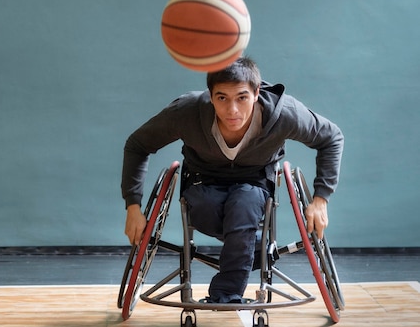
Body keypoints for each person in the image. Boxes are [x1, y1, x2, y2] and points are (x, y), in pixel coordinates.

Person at [121, 57, 343, 304]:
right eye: (222, 98)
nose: (232, 110)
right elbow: (137, 144)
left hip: (255, 181)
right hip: (202, 180)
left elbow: (331, 137)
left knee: (244, 204)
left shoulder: (284, 114)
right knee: (212, 210)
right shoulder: (187, 112)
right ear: (210, 95)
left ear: (256, 93)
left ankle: (226, 295)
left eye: (242, 97)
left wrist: (321, 198)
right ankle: (252, 247)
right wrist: (133, 206)